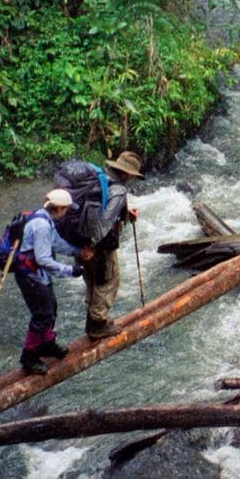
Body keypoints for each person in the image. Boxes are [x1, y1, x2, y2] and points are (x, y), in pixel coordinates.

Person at [15, 189, 89, 375]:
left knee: (51, 308)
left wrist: (76, 251)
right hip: (31, 276)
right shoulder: (41, 225)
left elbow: (55, 242)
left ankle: (46, 344)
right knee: (41, 315)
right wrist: (69, 270)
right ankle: (29, 356)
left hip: (39, 275)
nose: (66, 212)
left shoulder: (44, 218)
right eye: (65, 209)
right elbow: (43, 259)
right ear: (58, 208)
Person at [83, 151, 143, 339]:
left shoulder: (99, 178)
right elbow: (105, 221)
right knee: (109, 279)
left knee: (92, 280)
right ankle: (97, 324)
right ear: (125, 173)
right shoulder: (119, 189)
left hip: (79, 239)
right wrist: (92, 245)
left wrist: (125, 214)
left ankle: (93, 319)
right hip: (98, 244)